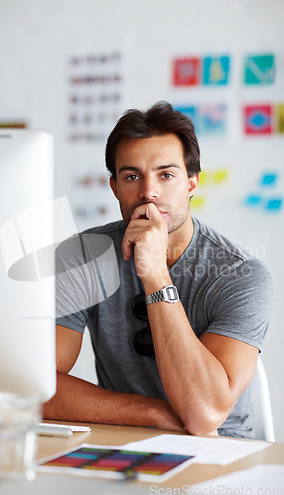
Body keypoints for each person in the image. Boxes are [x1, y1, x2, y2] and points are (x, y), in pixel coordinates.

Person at [44, 101, 273, 438]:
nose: (148, 192)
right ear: (114, 187)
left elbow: (204, 416)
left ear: (192, 183)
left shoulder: (242, 275)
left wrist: (154, 274)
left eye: (166, 175)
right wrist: (150, 412)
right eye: (132, 176)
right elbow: (36, 387)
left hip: (219, 448)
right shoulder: (82, 256)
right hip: (122, 435)